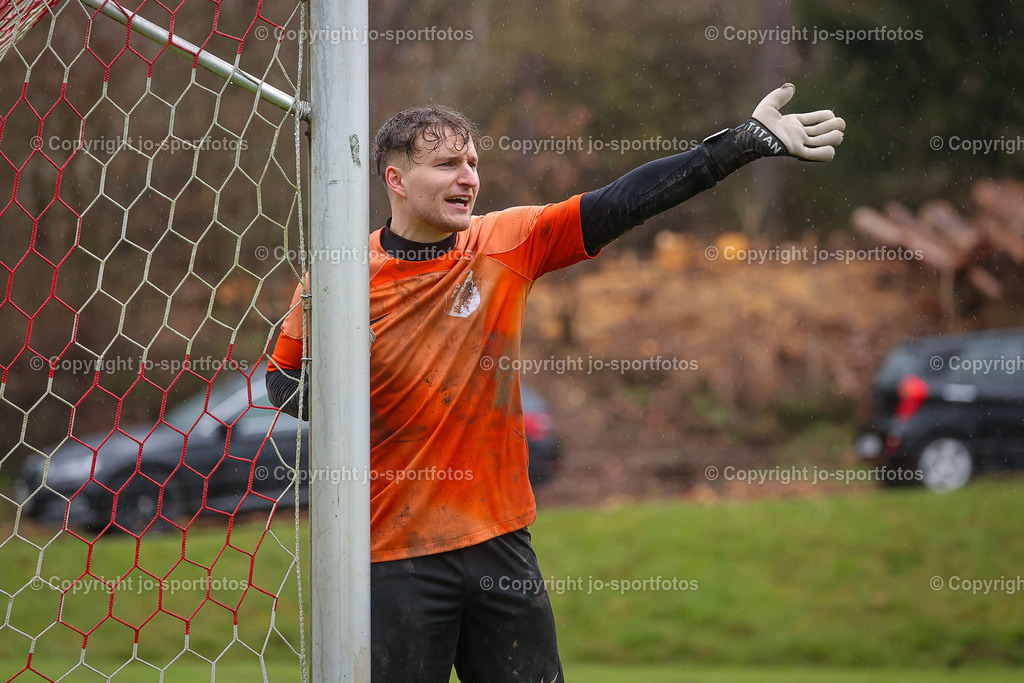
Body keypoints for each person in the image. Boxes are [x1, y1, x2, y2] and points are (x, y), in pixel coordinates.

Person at [265, 83, 844, 682]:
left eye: (472, 163)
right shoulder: (340, 276)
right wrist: (374, 401)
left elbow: (621, 202)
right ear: (395, 179)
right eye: (446, 165)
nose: (468, 178)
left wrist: (737, 147)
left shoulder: (504, 241)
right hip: (393, 556)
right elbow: (281, 383)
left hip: (501, 542)